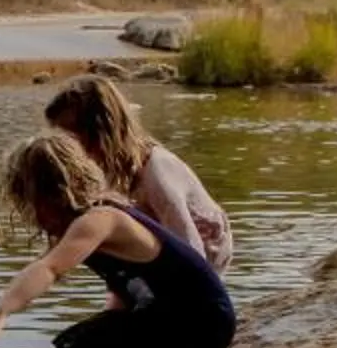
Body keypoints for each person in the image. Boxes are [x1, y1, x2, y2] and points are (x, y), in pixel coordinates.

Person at [0, 132, 238, 348]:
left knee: (84, 347)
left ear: (53, 195)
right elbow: (54, 270)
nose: (31, 216)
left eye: (29, 204)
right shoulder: (85, 223)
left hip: (200, 322)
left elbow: (49, 269)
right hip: (174, 318)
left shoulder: (99, 219)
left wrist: (0, 314)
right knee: (77, 343)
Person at [44, 75, 231, 272]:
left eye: (72, 137)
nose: (67, 147)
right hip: (162, 251)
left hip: (204, 257)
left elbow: (192, 249)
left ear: (103, 130)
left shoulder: (156, 170)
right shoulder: (107, 169)